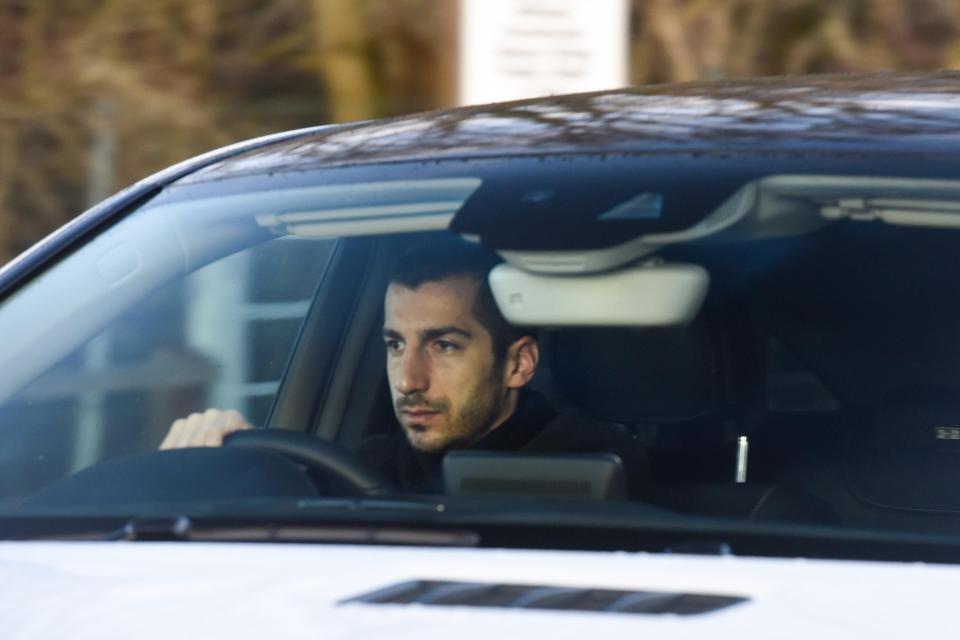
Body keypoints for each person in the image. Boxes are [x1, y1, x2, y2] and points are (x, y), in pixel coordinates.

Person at [160, 238, 650, 496]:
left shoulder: (602, 468)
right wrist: (221, 473)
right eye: (396, 344)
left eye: (444, 346)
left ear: (518, 364)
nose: (408, 380)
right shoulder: (364, 467)